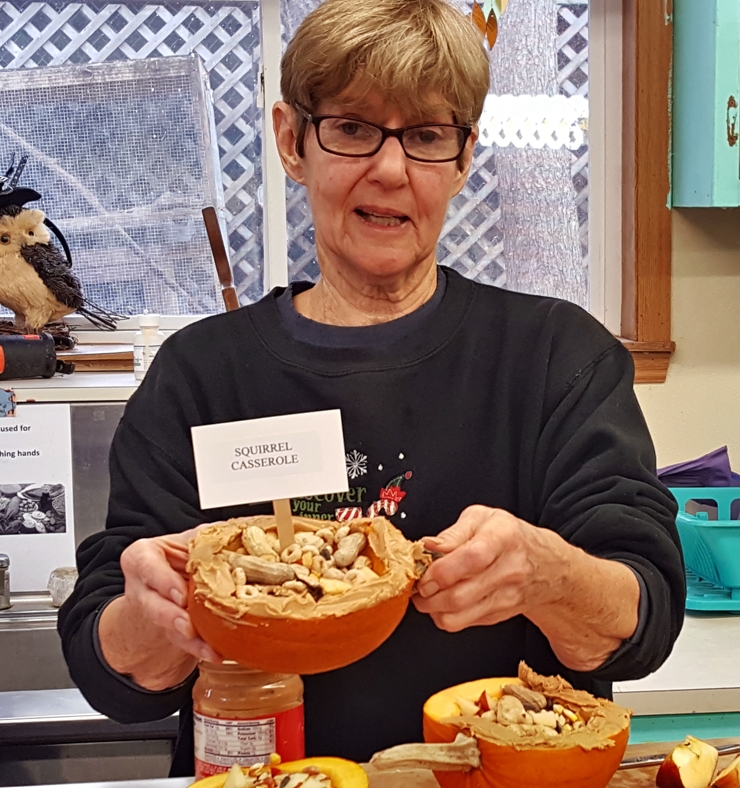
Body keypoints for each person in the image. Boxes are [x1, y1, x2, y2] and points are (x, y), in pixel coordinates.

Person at [58, 0, 685, 776]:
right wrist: (148, 624)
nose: (390, 169)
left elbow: (646, 614)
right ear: (293, 141)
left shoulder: (558, 356)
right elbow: (111, 672)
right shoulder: (200, 375)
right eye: (352, 128)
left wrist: (552, 574)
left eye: (425, 136)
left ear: (462, 157)